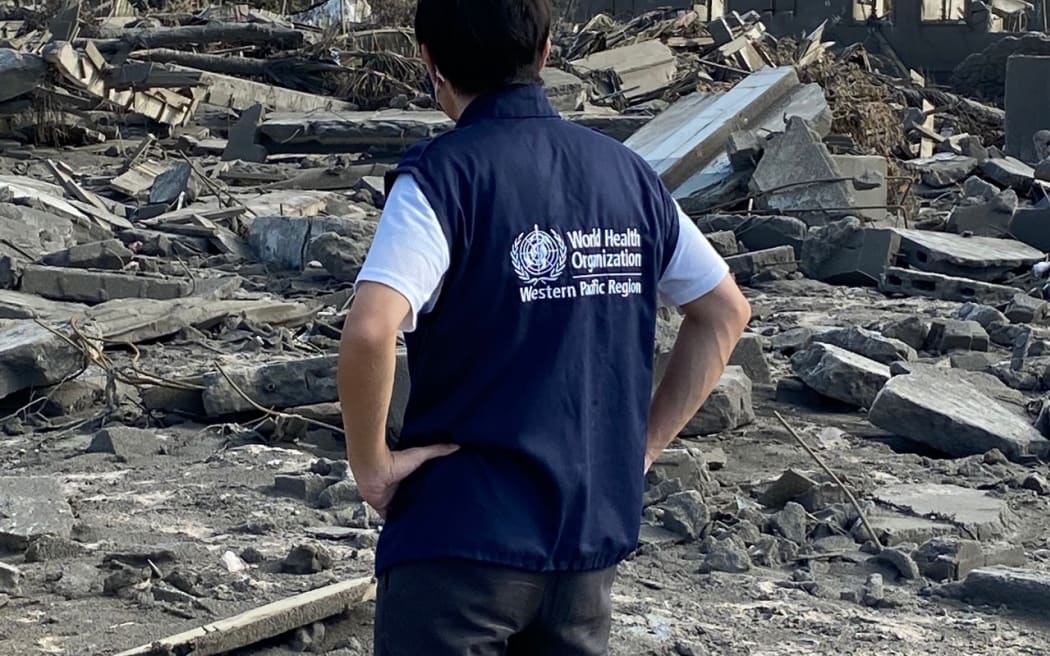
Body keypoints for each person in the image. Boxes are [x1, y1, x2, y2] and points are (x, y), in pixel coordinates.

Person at [336, 0, 751, 652]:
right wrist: (638, 449)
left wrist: (372, 469)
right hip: (584, 551)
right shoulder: (629, 176)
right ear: (547, 50)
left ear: (430, 64)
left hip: (461, 544)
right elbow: (725, 311)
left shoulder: (443, 178)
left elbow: (369, 331)